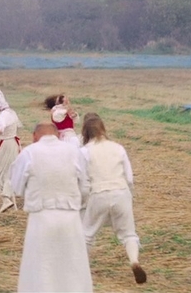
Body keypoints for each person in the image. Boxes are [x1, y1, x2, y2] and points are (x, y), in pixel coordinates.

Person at [9, 122, 92, 293]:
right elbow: (85, 187)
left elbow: (16, 187)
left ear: (34, 136)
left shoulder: (29, 153)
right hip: (70, 217)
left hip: (41, 216)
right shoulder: (73, 152)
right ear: (59, 135)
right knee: (72, 264)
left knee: (41, 266)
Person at [79, 113, 145, 285]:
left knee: (87, 234)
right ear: (103, 129)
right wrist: (128, 196)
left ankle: (82, 269)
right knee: (129, 233)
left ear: (85, 132)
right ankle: (134, 261)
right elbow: (129, 178)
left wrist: (82, 202)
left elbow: (84, 182)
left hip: (99, 193)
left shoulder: (84, 152)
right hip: (121, 192)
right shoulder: (118, 147)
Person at [0, 89, 23, 214]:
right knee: (9, 173)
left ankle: (5, 199)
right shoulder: (11, 113)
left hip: (5, 145)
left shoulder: (3, 115)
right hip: (13, 143)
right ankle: (8, 199)